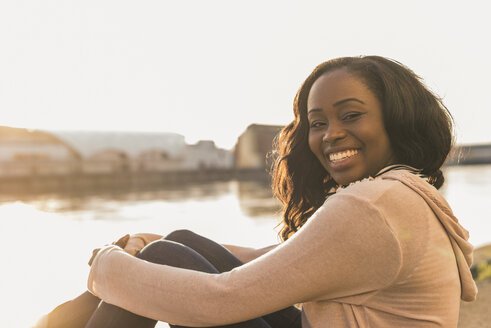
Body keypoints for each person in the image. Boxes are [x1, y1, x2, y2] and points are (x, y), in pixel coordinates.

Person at [33, 56, 477, 328]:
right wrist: (149, 242)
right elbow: (278, 260)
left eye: (351, 115)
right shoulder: (402, 195)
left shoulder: (373, 206)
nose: (330, 135)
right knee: (179, 244)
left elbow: (220, 299)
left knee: (165, 261)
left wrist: (108, 268)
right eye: (318, 122)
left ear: (396, 119)